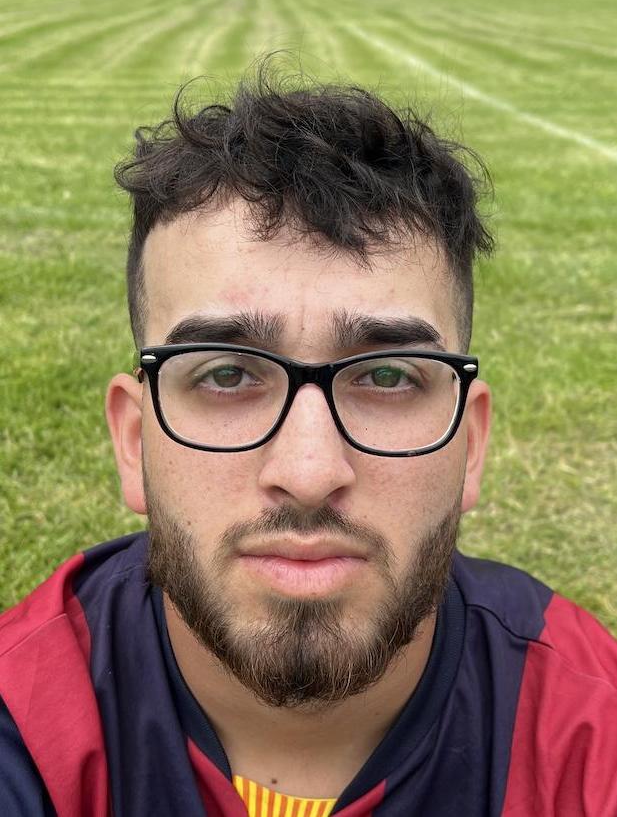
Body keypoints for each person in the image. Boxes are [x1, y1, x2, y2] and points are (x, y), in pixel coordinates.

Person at [1, 63, 616, 817]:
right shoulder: (26, 717)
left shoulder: (586, 726)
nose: (309, 470)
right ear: (134, 441)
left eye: (387, 377)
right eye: (226, 374)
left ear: (470, 443)